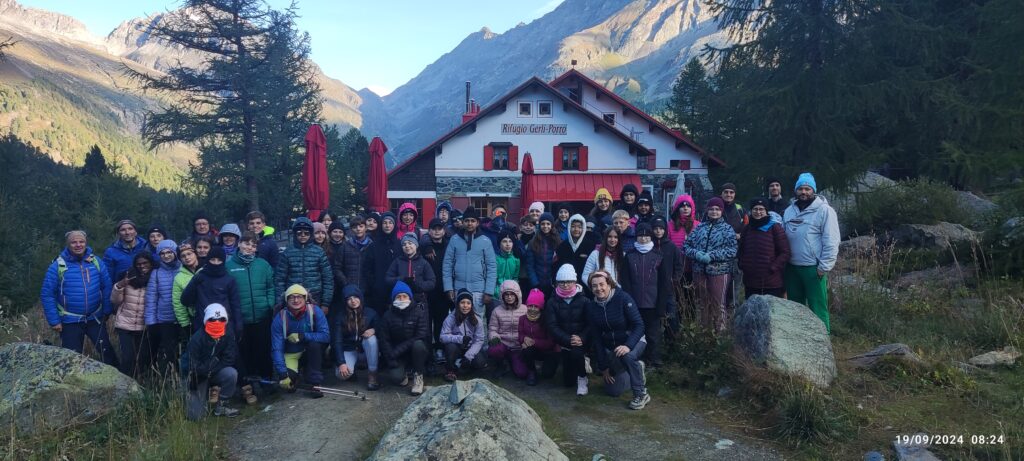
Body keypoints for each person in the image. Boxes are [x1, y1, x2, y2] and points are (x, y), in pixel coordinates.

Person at [41, 230, 118, 365]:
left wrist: (106, 310)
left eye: (81, 241)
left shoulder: (95, 261)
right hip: (70, 320)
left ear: (86, 242)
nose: (78, 245)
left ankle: (121, 382)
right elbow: (47, 294)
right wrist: (54, 321)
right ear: (68, 244)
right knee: (72, 358)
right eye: (74, 242)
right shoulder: (57, 266)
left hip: (95, 317)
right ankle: (71, 384)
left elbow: (106, 286)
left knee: (107, 352)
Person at [783, 173, 840, 333]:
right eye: (800, 188)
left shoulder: (824, 211)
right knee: (796, 307)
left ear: (813, 190)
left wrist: (824, 266)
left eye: (807, 188)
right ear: (796, 191)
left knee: (818, 306)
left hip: (813, 268)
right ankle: (800, 340)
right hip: (792, 267)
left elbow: (832, 240)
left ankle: (823, 342)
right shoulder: (789, 210)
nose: (804, 192)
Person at [587, 271, 650, 410]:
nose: (599, 288)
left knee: (627, 356)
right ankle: (637, 369)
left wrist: (628, 345)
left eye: (602, 284)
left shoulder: (623, 298)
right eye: (594, 286)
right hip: (613, 348)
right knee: (613, 391)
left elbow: (639, 325)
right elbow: (596, 338)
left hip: (634, 340)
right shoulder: (591, 307)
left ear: (609, 284)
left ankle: (641, 394)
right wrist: (604, 368)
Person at [226, 232, 276, 394]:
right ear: (239, 244)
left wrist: (269, 304)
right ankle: (248, 385)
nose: (250, 247)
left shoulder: (263, 265)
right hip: (241, 318)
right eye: (246, 244)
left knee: (263, 349)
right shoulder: (229, 266)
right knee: (244, 352)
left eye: (253, 245)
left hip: (262, 315)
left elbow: (271, 286)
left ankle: (266, 381)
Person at [684, 197, 739, 332]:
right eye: (711, 209)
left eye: (717, 209)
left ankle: (720, 336)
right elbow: (686, 246)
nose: (714, 212)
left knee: (718, 304)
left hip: (719, 272)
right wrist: (696, 254)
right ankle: (704, 334)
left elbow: (732, 250)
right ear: (707, 210)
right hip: (699, 271)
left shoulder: (727, 229)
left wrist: (712, 256)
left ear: (721, 211)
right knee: (702, 304)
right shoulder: (699, 228)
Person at [620, 223, 670, 368]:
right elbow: (625, 280)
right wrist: (628, 302)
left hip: (652, 303)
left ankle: (653, 360)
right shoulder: (629, 255)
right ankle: (634, 358)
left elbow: (664, 283)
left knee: (653, 333)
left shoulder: (659, 256)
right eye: (640, 236)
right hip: (634, 303)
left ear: (651, 237)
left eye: (646, 236)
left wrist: (661, 305)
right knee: (634, 332)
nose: (643, 239)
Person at [271, 284, 331, 398]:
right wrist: (283, 374)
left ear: (305, 298)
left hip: (311, 350)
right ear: (286, 299)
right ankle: (296, 375)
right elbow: (276, 348)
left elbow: (326, 336)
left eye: (299, 296)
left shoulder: (315, 311)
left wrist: (303, 336)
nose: (296, 300)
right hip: (292, 353)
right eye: (291, 297)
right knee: (288, 382)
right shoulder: (280, 317)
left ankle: (315, 383)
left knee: (314, 345)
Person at [185, 304, 240, 420]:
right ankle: (193, 397)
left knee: (231, 373)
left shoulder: (228, 333)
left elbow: (229, 358)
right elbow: (192, 365)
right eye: (213, 319)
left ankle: (222, 406)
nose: (217, 322)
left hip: (215, 371)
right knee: (196, 417)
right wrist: (207, 370)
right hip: (198, 376)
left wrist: (212, 369)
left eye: (221, 319)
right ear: (206, 320)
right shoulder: (196, 339)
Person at [442, 206, 497, 319]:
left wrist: (489, 291)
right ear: (462, 222)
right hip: (459, 288)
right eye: (467, 221)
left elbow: (492, 267)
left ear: (477, 223)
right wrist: (448, 288)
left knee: (476, 321)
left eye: (473, 221)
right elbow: (447, 264)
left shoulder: (485, 241)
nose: (469, 223)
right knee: (459, 320)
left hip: (478, 290)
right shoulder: (455, 239)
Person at [545, 264, 591, 395]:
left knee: (577, 353)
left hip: (582, 341)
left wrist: (581, 338)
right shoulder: (552, 302)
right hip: (564, 342)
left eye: (568, 282)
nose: (565, 285)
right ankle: (580, 364)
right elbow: (552, 326)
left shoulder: (584, 300)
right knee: (568, 382)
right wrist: (567, 339)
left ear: (575, 282)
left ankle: (583, 378)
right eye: (561, 282)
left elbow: (590, 324)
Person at [378, 281, 429, 395]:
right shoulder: (387, 315)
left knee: (419, 344)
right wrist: (390, 357)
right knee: (397, 379)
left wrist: (397, 350)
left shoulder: (419, 312)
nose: (402, 299)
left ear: (410, 297)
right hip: (397, 355)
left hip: (414, 351)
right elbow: (384, 339)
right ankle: (404, 371)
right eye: (398, 296)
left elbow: (421, 335)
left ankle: (418, 377)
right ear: (393, 298)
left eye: (404, 296)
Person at [274, 217, 333, 310]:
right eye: (299, 233)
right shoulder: (287, 252)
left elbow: (328, 279)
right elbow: (280, 280)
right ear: (294, 234)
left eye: (306, 233)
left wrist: (326, 303)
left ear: (311, 234)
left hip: (315, 298)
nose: (303, 235)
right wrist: (280, 302)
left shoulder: (319, 252)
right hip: (293, 299)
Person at [182, 246, 242, 336]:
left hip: (224, 325)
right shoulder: (200, 277)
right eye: (213, 259)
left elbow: (235, 305)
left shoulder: (229, 280)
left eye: (219, 260)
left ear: (223, 262)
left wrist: (238, 324)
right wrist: (194, 283)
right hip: (202, 325)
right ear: (208, 260)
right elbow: (185, 301)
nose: (216, 263)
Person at [112, 252, 154, 378]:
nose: (142, 266)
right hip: (125, 324)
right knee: (127, 358)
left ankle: (139, 384)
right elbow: (116, 301)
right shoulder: (128, 276)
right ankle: (124, 384)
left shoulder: (155, 278)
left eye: (145, 263)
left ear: (151, 263)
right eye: (138, 264)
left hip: (144, 326)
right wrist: (119, 286)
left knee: (143, 358)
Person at [738, 198, 791, 298]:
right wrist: (742, 264)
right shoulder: (747, 228)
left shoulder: (775, 227)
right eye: (755, 209)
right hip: (750, 281)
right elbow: (741, 250)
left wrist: (773, 267)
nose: (758, 212)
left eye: (761, 209)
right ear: (751, 211)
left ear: (766, 211)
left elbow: (785, 252)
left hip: (771, 282)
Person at [332, 284, 381, 390]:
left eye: (355, 297)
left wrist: (374, 330)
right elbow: (337, 340)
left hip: (365, 351)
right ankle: (352, 369)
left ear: (360, 298)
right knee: (341, 375)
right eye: (349, 299)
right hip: (349, 349)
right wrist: (341, 363)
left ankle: (372, 374)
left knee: (372, 340)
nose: (353, 301)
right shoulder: (340, 316)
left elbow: (382, 329)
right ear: (345, 301)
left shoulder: (371, 312)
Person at [145, 240, 183, 375]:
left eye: (169, 252)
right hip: (165, 319)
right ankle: (171, 378)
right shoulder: (156, 273)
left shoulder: (183, 268)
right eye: (162, 253)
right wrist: (151, 322)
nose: (166, 256)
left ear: (175, 252)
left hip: (183, 318)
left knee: (184, 349)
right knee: (170, 351)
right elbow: (151, 298)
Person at [419, 218, 452, 363]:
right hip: (427, 291)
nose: (437, 231)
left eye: (439, 229)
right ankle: (427, 352)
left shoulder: (449, 246)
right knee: (426, 322)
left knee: (441, 321)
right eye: (433, 229)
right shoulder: (424, 246)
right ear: (429, 231)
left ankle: (439, 347)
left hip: (443, 290)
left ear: (444, 231)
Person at [441, 289, 487, 381]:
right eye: (462, 302)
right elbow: (442, 337)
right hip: (457, 347)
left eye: (468, 303)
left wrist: (468, 356)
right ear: (458, 304)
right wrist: (460, 339)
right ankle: (451, 370)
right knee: (450, 347)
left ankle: (465, 366)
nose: (465, 306)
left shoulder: (477, 320)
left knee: (480, 362)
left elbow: (479, 340)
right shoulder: (450, 318)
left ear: (471, 305)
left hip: (471, 348)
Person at [652, 218, 684, 338]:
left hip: (668, 288)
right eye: (655, 229)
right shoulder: (649, 246)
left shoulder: (671, 246)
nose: (658, 231)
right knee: (655, 318)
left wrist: (674, 281)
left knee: (671, 317)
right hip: (652, 289)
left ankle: (672, 343)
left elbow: (679, 266)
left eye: (661, 228)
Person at [488, 280, 528, 379]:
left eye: (512, 294)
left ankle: (513, 361)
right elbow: (492, 329)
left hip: (518, 346)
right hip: (503, 344)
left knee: (522, 374)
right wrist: (494, 337)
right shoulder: (496, 311)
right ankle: (501, 365)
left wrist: (526, 341)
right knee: (494, 349)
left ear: (517, 295)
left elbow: (529, 328)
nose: (509, 297)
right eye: (506, 295)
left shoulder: (525, 309)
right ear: (502, 296)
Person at [519, 288, 558, 386]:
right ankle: (532, 372)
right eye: (530, 306)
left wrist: (534, 341)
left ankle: (549, 365)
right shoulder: (522, 319)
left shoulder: (547, 319)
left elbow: (551, 342)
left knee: (547, 375)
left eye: (536, 306)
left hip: (548, 352)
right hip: (532, 350)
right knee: (526, 350)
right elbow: (520, 334)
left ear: (540, 307)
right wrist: (524, 339)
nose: (532, 308)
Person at [363, 212, 401, 313]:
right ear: (381, 225)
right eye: (385, 223)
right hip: (378, 291)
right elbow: (367, 268)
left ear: (394, 225)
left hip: (396, 289)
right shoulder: (373, 246)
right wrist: (374, 284)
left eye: (390, 223)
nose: (387, 225)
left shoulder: (400, 245)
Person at [385, 233, 436, 306]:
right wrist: (402, 279)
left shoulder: (423, 262)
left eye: (410, 243)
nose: (407, 246)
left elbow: (432, 282)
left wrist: (417, 284)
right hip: (400, 300)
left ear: (416, 245)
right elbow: (388, 279)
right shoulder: (397, 261)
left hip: (419, 301)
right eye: (404, 244)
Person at [554, 214, 598, 288]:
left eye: (579, 227)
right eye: (573, 226)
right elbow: (557, 266)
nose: (576, 229)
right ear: (569, 227)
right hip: (566, 285)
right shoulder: (562, 246)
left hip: (585, 285)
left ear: (583, 228)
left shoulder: (590, 245)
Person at [332, 215, 371, 295]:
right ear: (351, 229)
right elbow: (337, 268)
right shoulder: (345, 246)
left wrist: (370, 283)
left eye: (361, 226)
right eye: (355, 227)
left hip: (367, 289)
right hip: (349, 288)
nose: (358, 229)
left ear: (366, 228)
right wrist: (346, 283)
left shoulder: (371, 246)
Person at [525, 212, 560, 298]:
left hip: (552, 283)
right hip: (538, 282)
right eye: (543, 224)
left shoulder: (558, 241)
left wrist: (556, 282)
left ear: (552, 225)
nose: (545, 226)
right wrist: (535, 283)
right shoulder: (533, 242)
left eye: (548, 224)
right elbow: (530, 265)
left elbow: (559, 263)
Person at [104, 219, 148, 283]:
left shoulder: (146, 247)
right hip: (122, 289)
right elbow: (107, 277)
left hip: (146, 288)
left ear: (135, 232)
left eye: (130, 229)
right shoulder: (111, 252)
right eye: (123, 230)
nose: (127, 232)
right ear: (118, 233)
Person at [172, 244, 200, 333]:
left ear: (195, 254)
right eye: (183, 256)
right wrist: (185, 323)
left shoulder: (206, 269)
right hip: (195, 317)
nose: (187, 257)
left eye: (189, 254)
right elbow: (178, 303)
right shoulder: (178, 278)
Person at [494, 230, 521, 300]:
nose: (508, 244)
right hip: (496, 295)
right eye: (504, 241)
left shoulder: (516, 260)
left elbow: (515, 278)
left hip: (510, 295)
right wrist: (495, 292)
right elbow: (493, 279)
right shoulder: (495, 260)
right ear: (499, 243)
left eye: (510, 241)